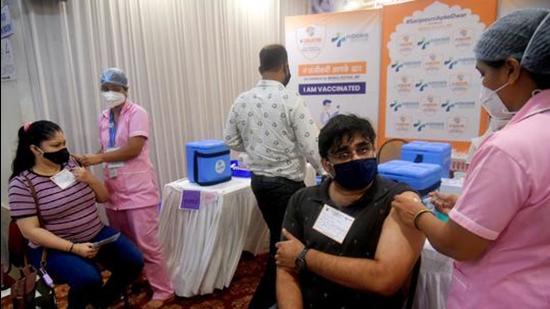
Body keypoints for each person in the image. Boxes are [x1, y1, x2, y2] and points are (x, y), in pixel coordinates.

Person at [391, 8, 550, 309]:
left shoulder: (510, 147)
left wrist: (417, 213)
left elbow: (457, 244)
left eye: (484, 74)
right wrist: (467, 206)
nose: (484, 87)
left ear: (512, 70)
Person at [275, 114, 425, 308]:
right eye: (343, 154)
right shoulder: (302, 199)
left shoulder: (400, 201)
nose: (356, 158)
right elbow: (286, 269)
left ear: (374, 149)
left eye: (363, 149)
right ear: (327, 165)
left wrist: (304, 257)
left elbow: (384, 279)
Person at [223, 44, 324, 309]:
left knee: (278, 240)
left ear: (260, 68)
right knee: (288, 248)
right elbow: (312, 145)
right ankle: (268, 301)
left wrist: (258, 150)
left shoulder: (242, 99)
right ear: (285, 66)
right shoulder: (291, 100)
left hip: (259, 183)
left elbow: (230, 139)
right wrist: (328, 173)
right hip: (287, 186)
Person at [8, 120, 144, 309]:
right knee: (88, 279)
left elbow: (103, 197)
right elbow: (30, 231)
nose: (63, 149)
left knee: (133, 261)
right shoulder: (22, 184)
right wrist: (74, 248)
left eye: (64, 143)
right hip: (55, 248)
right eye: (56, 145)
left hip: (95, 234)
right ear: (35, 149)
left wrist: (90, 179)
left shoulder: (71, 163)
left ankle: (100, 301)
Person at [76, 68, 174, 308]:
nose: (110, 93)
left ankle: (163, 290)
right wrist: (88, 159)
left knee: (148, 244)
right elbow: (107, 150)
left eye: (114, 88)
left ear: (125, 89)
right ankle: (137, 279)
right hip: (114, 190)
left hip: (139, 191)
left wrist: (98, 159)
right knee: (125, 245)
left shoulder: (137, 113)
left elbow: (133, 149)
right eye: (105, 89)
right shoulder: (103, 117)